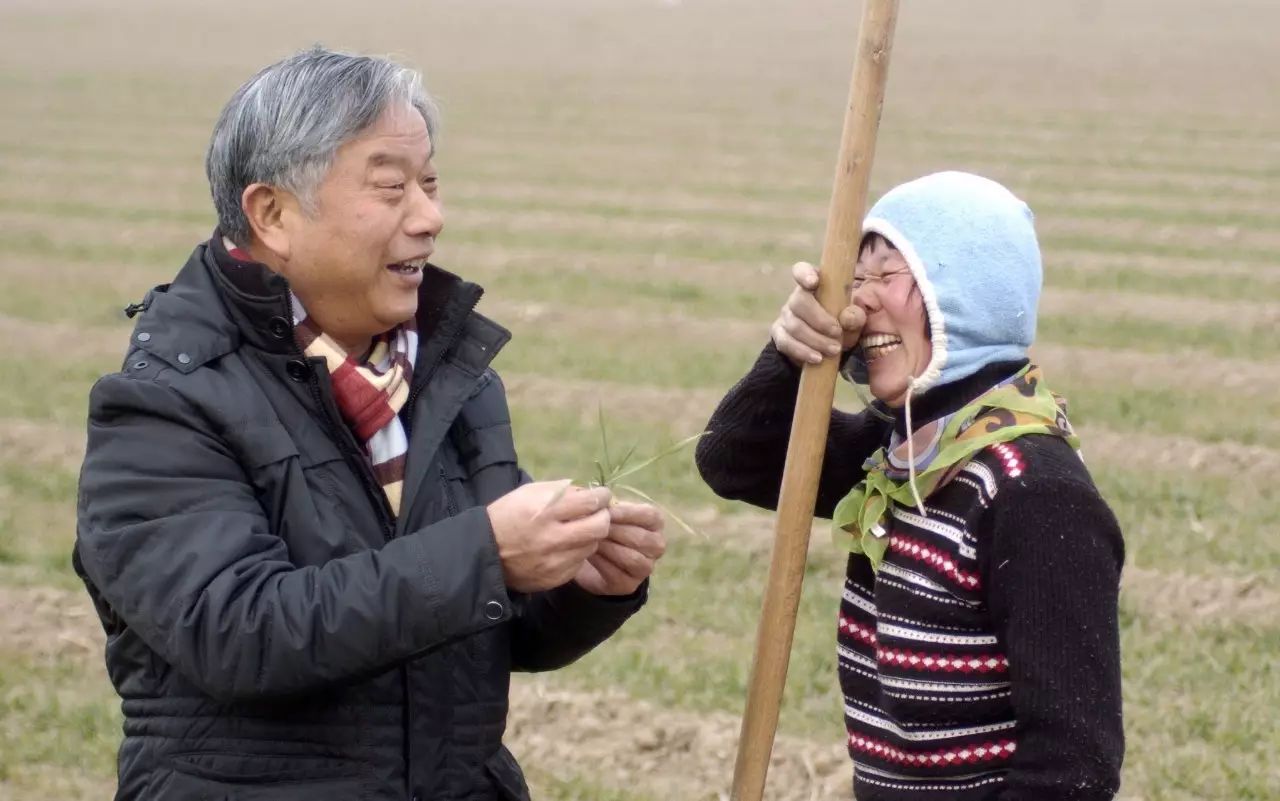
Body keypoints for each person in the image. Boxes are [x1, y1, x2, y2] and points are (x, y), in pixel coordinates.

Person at [73, 47, 666, 801]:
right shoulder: (163, 405)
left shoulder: (453, 383)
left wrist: (580, 587)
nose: (431, 216)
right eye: (392, 187)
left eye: (431, 183)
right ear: (273, 214)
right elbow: (241, 633)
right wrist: (486, 552)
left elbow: (480, 625)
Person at [696, 171, 1124, 800]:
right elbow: (734, 462)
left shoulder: (1032, 493)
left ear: (964, 292)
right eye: (855, 277)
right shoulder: (904, 451)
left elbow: (1071, 767)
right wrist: (794, 352)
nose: (858, 302)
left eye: (885, 275)